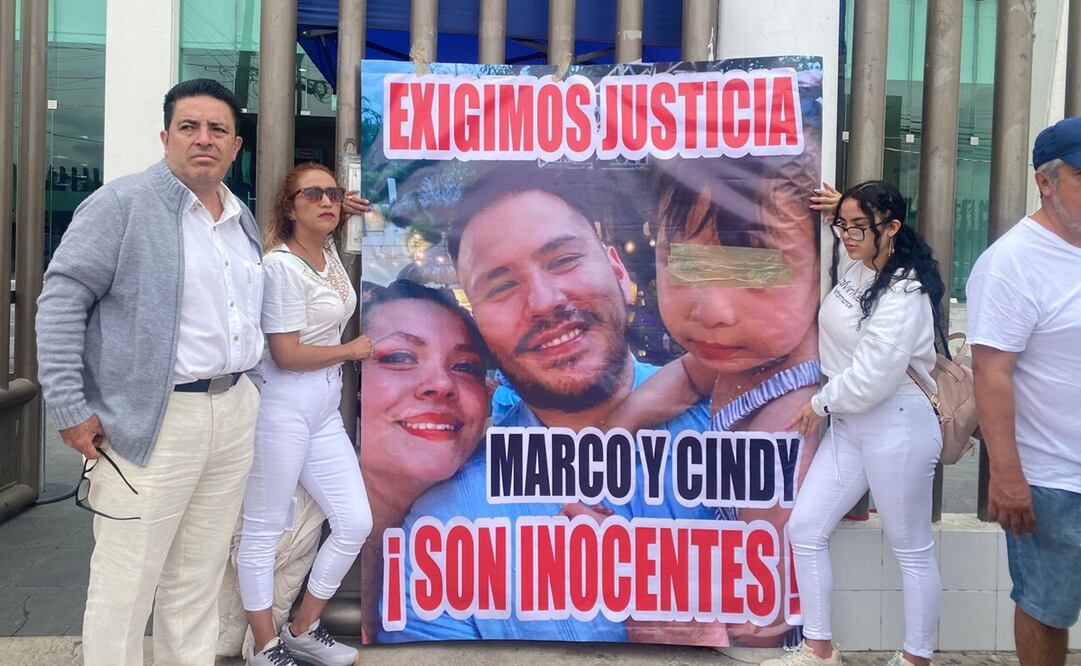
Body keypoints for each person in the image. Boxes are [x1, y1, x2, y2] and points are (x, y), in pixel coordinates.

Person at [377, 164, 718, 644]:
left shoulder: (740, 433)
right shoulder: (446, 525)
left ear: (619, 271)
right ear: (480, 328)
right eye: (500, 287)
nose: (543, 301)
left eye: (563, 259)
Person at [36, 78, 262, 666]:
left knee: (197, 579)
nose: (203, 139)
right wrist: (67, 406)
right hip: (152, 420)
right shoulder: (121, 204)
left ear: (236, 146)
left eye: (217, 129)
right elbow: (61, 300)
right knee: (126, 583)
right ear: (166, 138)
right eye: (189, 127)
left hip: (231, 410)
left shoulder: (241, 219)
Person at [763, 181, 945, 666]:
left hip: (897, 422)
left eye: (859, 226)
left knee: (910, 547)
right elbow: (855, 232)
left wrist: (818, 404)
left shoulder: (906, 289)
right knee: (804, 528)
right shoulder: (858, 265)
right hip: (851, 424)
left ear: (891, 228)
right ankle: (819, 650)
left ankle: (915, 658)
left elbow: (876, 376)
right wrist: (842, 209)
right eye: (844, 225)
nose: (847, 234)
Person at [236, 162, 374, 666]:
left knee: (355, 520)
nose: (326, 201)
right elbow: (286, 353)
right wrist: (350, 351)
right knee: (264, 529)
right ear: (288, 207)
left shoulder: (328, 251)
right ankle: (264, 646)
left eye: (333, 193)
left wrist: (355, 204)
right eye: (311, 194)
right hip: (282, 406)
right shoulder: (280, 266)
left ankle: (302, 627)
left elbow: (345, 216)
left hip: (322, 407)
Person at [966, 116, 1081, 666]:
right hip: (1055, 479)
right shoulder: (1011, 264)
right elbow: (991, 372)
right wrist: (1006, 476)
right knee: (1045, 609)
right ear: (1046, 180)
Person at [356, 280, 492, 643]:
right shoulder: (284, 530)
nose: (441, 384)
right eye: (400, 358)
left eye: (465, 366)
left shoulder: (506, 536)